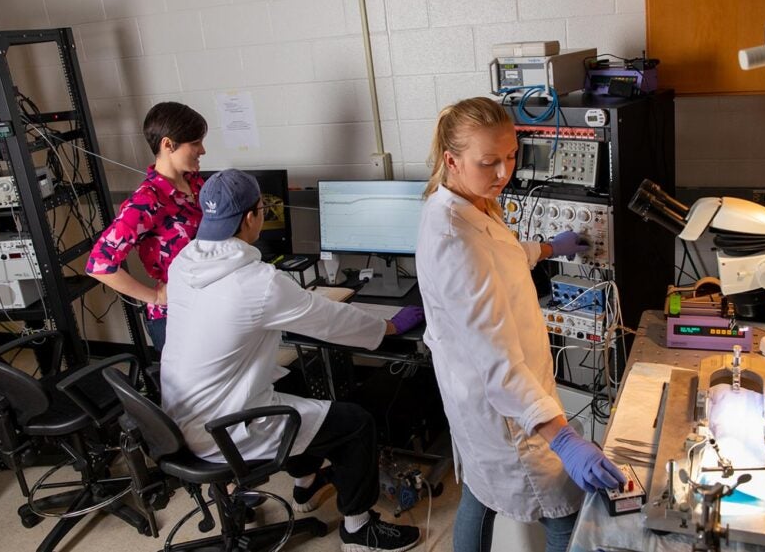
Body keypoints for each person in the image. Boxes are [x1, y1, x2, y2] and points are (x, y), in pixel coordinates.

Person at [162, 169, 423, 552]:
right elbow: (331, 322)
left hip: (182, 414)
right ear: (253, 217)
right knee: (355, 424)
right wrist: (388, 327)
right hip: (225, 429)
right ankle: (358, 528)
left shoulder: (184, 263)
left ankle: (307, 481)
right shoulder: (258, 282)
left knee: (295, 379)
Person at [415, 97, 625, 552]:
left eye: (512, 156)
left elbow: (503, 256)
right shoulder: (455, 238)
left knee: (478, 489)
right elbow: (499, 364)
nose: (504, 173)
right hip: (505, 409)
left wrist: (549, 248)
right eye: (489, 162)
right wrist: (565, 440)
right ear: (451, 160)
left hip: (476, 398)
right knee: (565, 512)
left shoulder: (462, 202)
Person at [86, 102, 208, 354]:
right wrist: (155, 298)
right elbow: (99, 264)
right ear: (168, 144)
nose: (202, 150)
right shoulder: (146, 201)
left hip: (207, 304)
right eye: (195, 143)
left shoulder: (194, 182)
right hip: (176, 317)